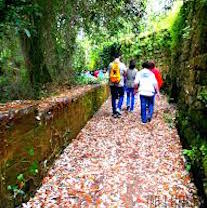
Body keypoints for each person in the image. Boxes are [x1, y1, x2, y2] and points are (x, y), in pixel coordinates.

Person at [108, 53, 127, 118]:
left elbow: (108, 73)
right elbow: (125, 73)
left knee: (113, 96)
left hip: (112, 83)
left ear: (113, 57)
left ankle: (114, 112)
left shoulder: (110, 64)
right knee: (121, 95)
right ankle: (118, 108)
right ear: (119, 57)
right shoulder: (122, 65)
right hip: (120, 83)